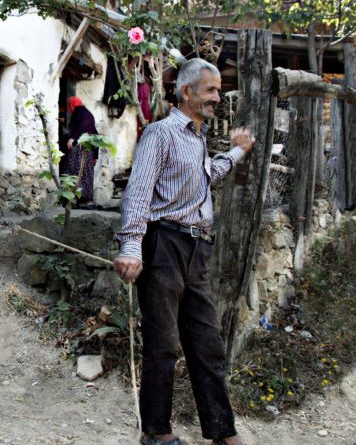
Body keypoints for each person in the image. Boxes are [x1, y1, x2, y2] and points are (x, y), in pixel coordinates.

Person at [112, 59, 255, 445]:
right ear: (187, 92)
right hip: (163, 245)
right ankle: (156, 432)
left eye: (218, 90)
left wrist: (239, 152)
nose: (217, 96)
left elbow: (208, 174)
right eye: (210, 89)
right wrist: (131, 246)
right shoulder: (160, 133)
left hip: (195, 249)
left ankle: (222, 432)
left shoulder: (197, 137)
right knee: (163, 343)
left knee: (207, 342)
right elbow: (138, 193)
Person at [63, 96, 99, 208]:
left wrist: (73, 137)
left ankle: (72, 200)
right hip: (89, 150)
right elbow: (95, 132)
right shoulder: (87, 113)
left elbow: (82, 125)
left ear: (71, 105)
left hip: (79, 149)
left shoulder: (78, 112)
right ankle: (85, 200)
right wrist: (96, 154)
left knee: (74, 172)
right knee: (86, 173)